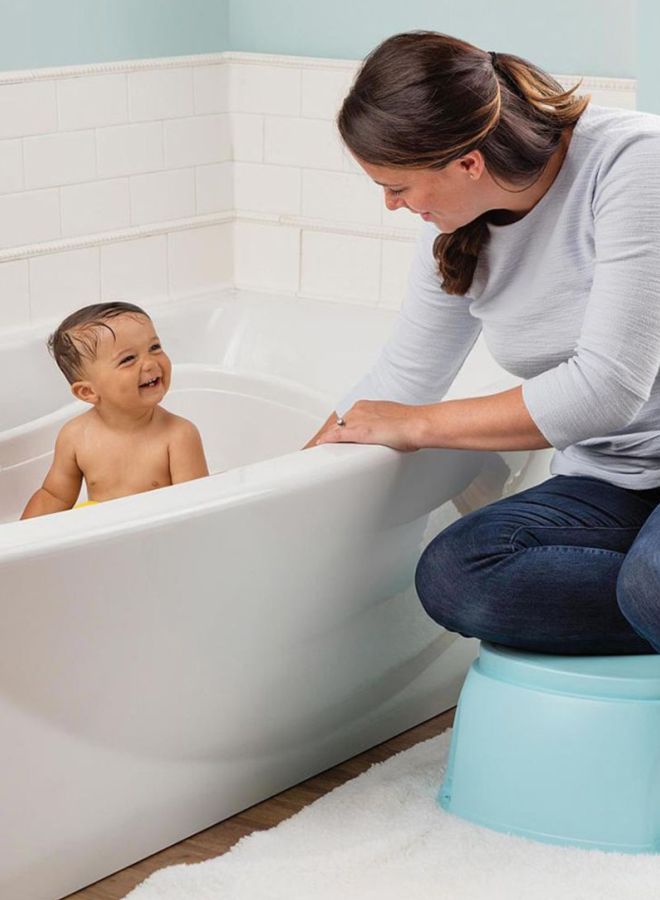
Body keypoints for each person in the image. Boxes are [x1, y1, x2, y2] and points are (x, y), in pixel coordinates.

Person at [307, 30, 660, 655]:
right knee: (455, 575)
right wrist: (288, 482)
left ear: (468, 163)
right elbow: (402, 379)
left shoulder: (634, 163)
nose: (391, 205)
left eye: (398, 186)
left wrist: (417, 427)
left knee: (651, 583)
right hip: (615, 481)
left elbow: (606, 391)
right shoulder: (454, 224)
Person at [21, 301, 209, 519]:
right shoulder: (75, 436)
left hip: (156, 533)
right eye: (128, 359)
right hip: (103, 534)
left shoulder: (179, 435)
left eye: (154, 347)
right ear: (87, 392)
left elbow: (197, 508)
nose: (149, 363)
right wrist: (16, 543)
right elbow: (53, 496)